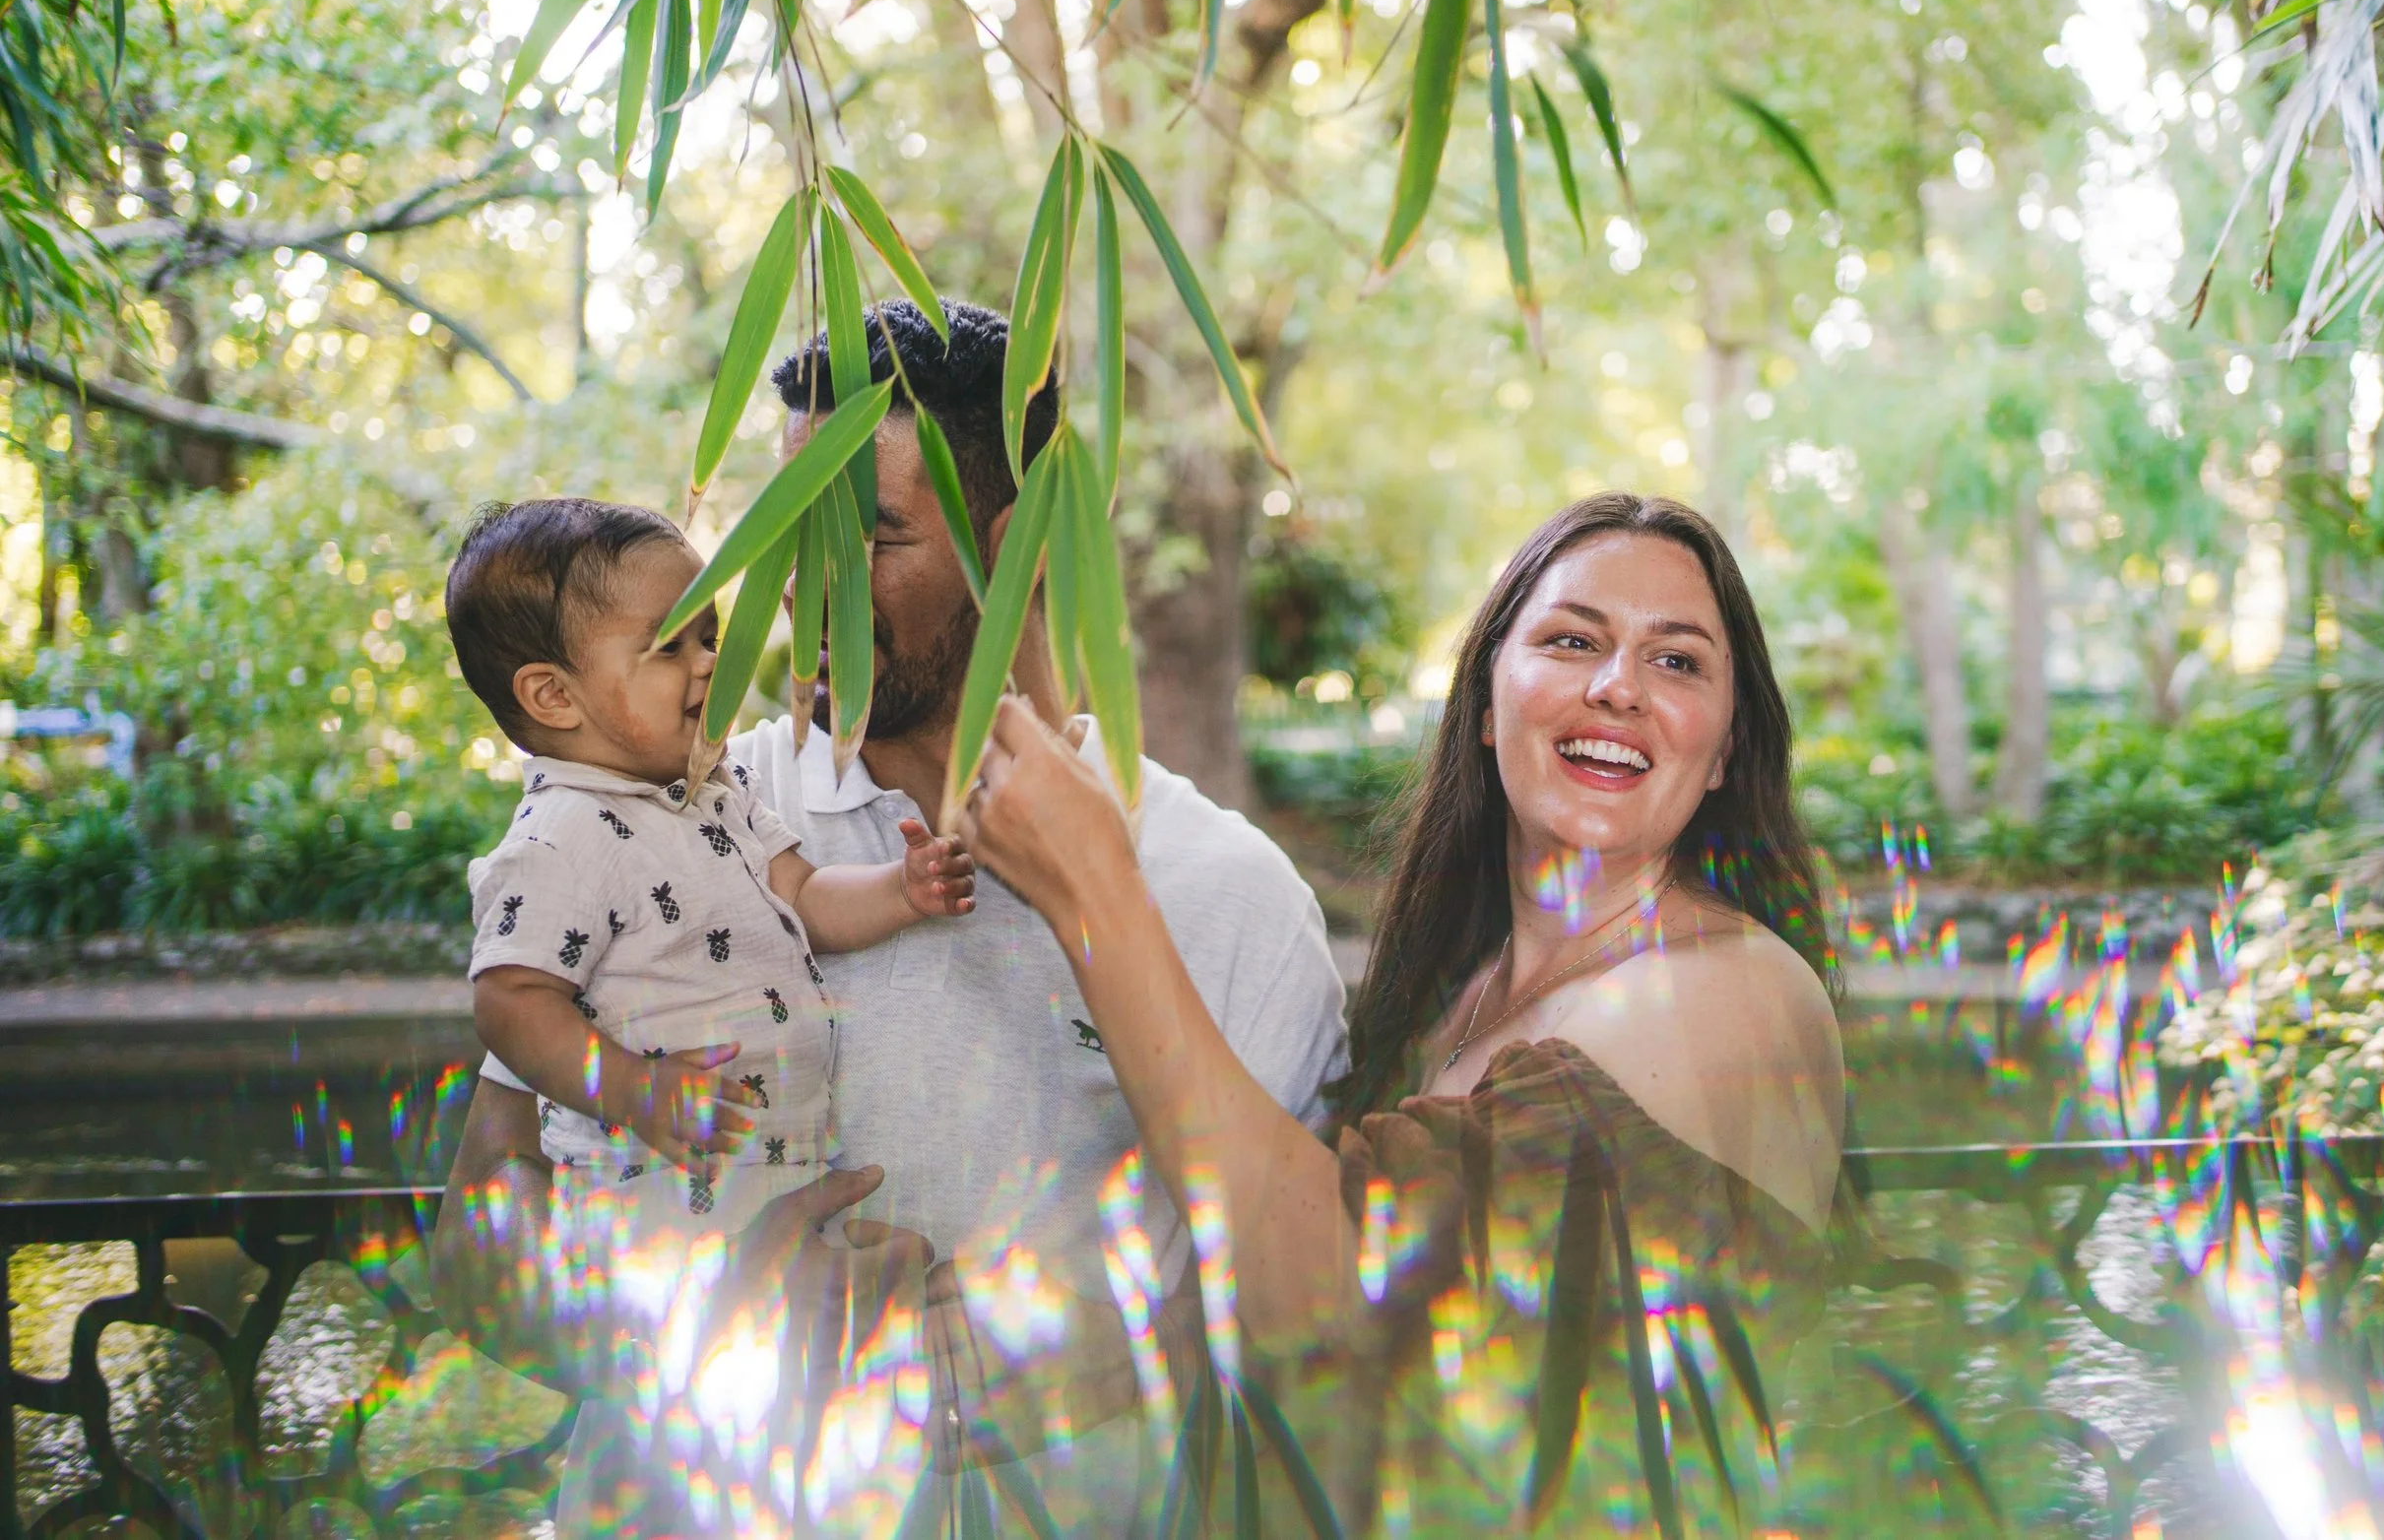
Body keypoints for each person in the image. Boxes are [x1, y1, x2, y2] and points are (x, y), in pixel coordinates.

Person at [433, 300, 1352, 1534]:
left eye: (868, 535)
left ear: (1017, 542)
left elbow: (1306, 1326)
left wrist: (1051, 1364)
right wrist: (696, 1312)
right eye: (786, 532)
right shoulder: (648, 824)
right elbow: (479, 1255)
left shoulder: (1218, 889)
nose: (810, 583)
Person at [956, 492, 1847, 1531]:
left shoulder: (1726, 991)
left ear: (1728, 747)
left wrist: (1097, 897)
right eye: (1572, 639)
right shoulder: (1454, 993)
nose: (1617, 688)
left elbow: (1336, 1291)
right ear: (1483, 700)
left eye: (1677, 661)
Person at [444, 498, 975, 1238]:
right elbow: (509, 1001)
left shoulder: (716, 788)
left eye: (710, 634)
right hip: (649, 1191)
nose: (711, 661)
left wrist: (902, 888)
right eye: (671, 645)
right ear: (554, 695)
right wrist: (632, 1091)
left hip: (770, 1171)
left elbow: (805, 895)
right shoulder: (561, 834)